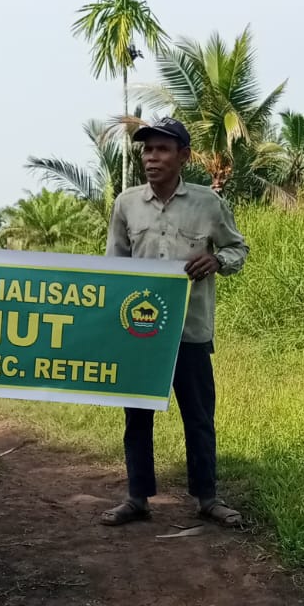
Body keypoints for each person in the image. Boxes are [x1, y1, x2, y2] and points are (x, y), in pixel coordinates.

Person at [101, 117, 248, 528]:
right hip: (140, 335)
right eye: (147, 150)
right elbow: (115, 266)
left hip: (190, 330)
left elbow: (239, 249)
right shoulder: (125, 204)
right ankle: (137, 497)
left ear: (183, 156)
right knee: (137, 416)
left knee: (198, 416)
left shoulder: (209, 204)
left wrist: (217, 260)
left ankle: (207, 498)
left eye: (162, 149)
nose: (152, 157)